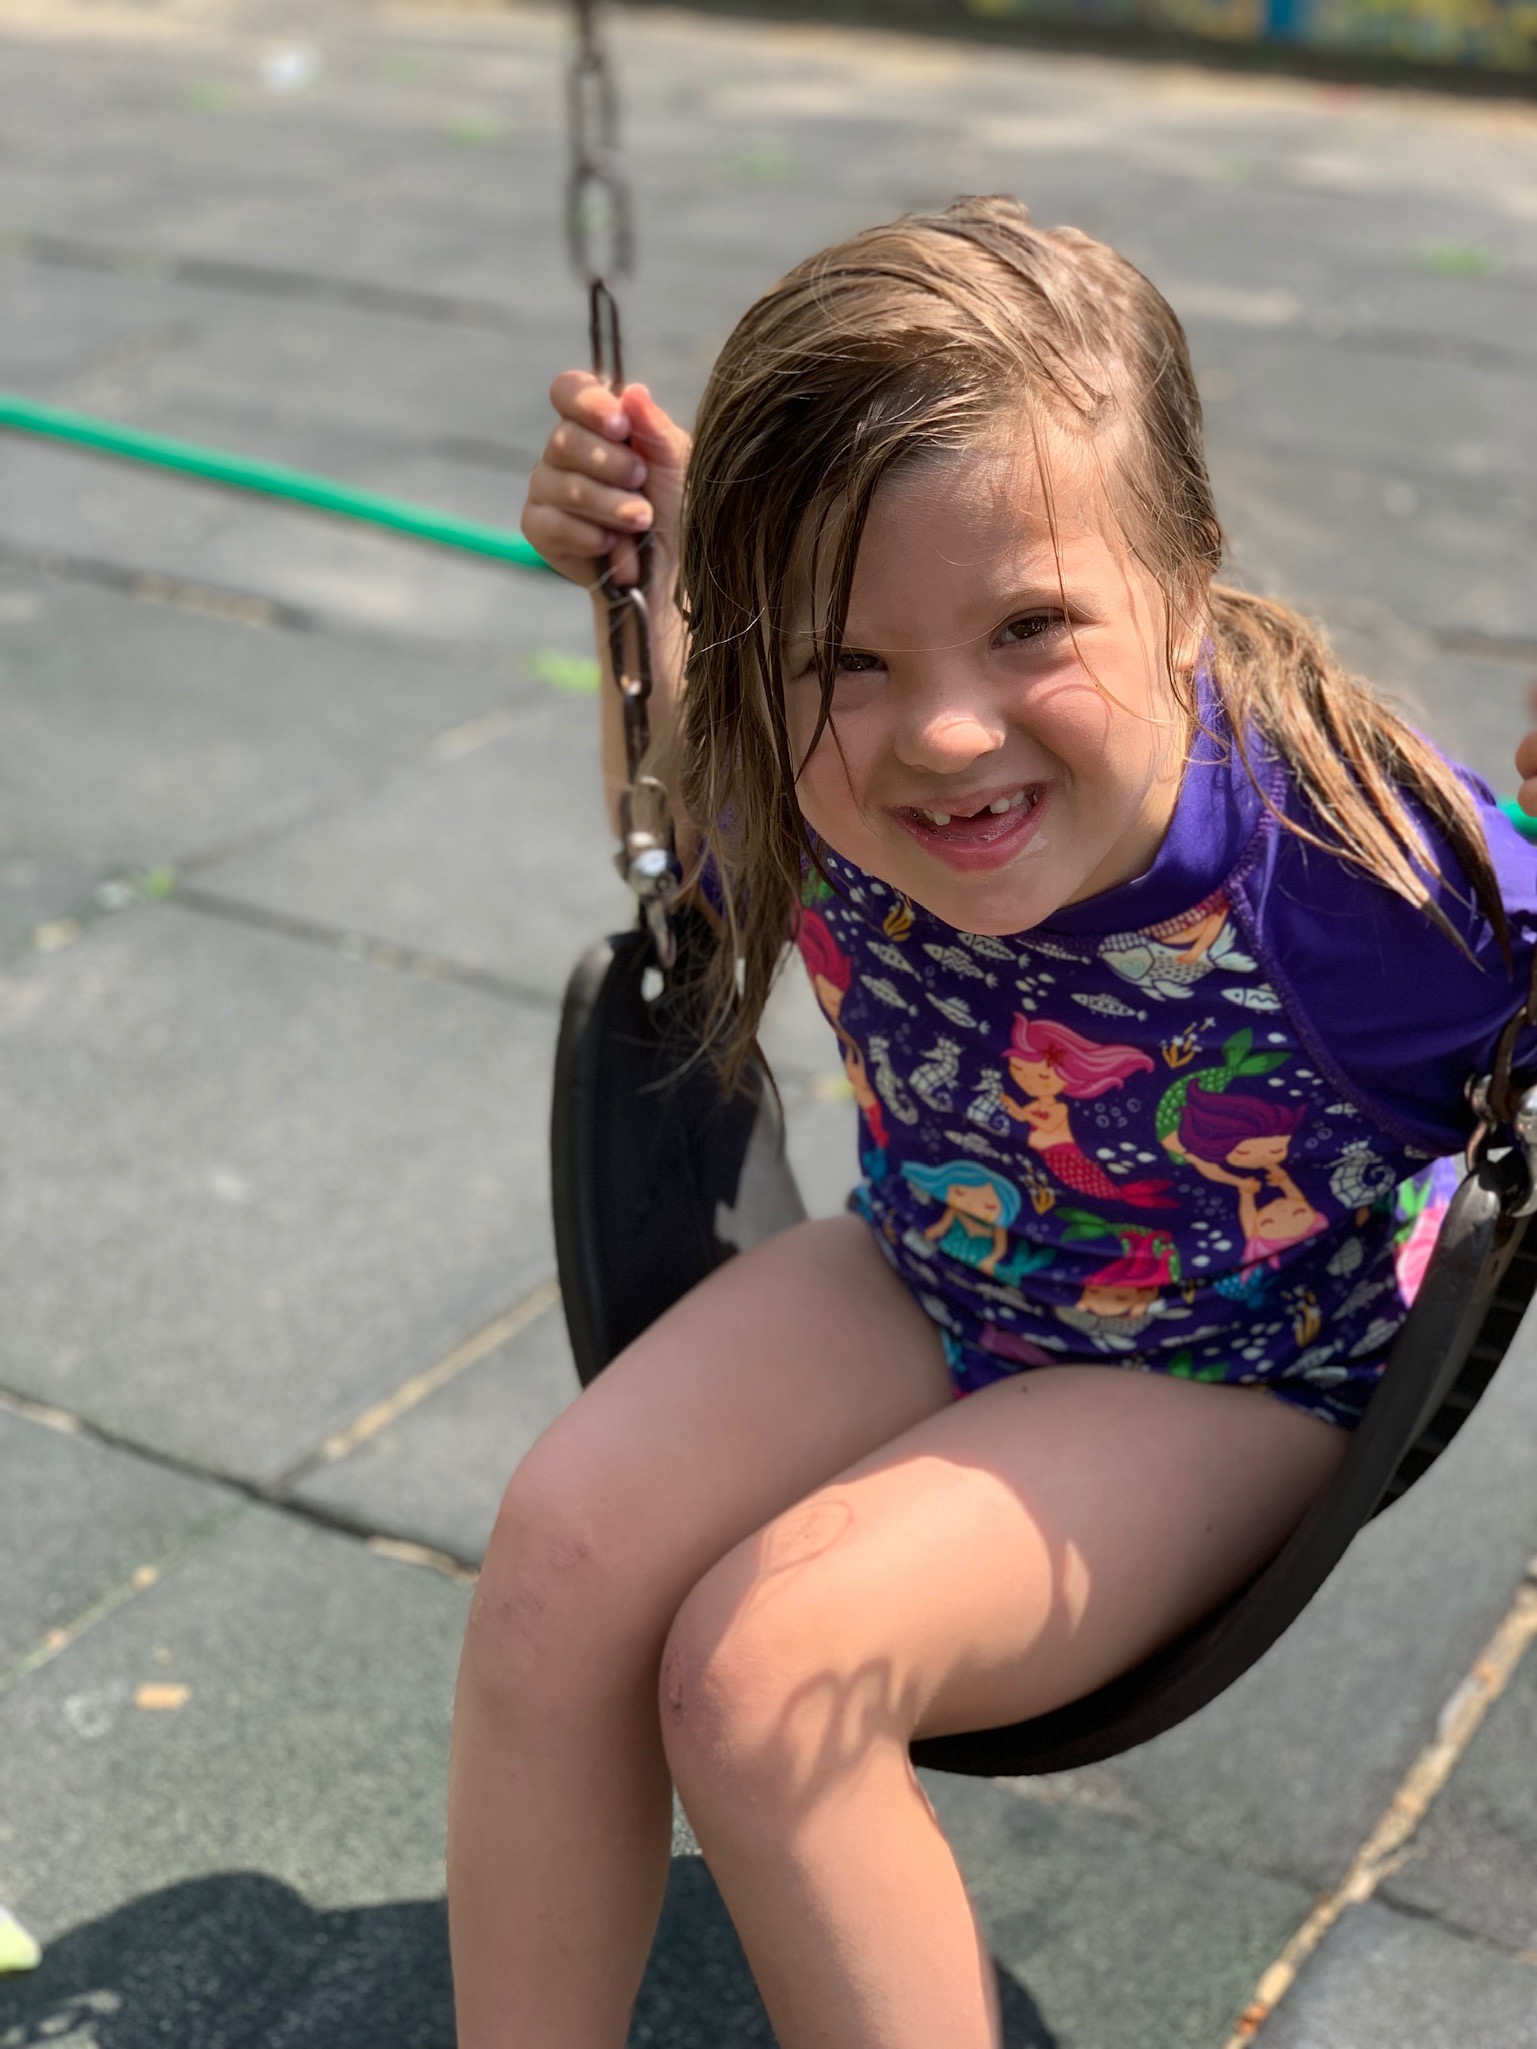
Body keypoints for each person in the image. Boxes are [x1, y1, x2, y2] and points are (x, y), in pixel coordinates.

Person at [448, 196, 1537, 2049]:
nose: (940, 736)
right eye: (848, 658)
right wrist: (645, 583)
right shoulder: (806, 767)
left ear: (1184, 576)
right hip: (927, 1263)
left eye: (1028, 625)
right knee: (556, 1550)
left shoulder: (1355, 879)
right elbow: (693, 784)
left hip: (1222, 1371)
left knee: (766, 1669)